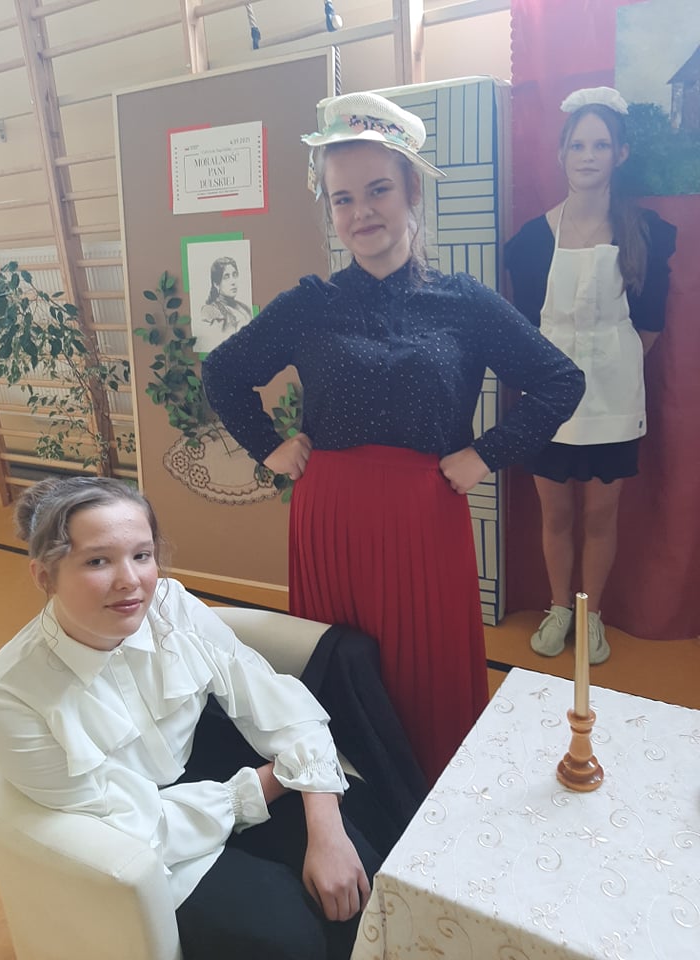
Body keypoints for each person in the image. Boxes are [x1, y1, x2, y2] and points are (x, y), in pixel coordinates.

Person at [201, 91, 585, 784]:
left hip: (424, 518)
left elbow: (561, 380)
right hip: (329, 520)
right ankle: (347, 802)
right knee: (338, 669)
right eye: (342, 199)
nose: (361, 212)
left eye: (378, 189)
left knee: (426, 671)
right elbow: (223, 372)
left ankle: (431, 805)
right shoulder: (309, 304)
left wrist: (485, 454)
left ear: (412, 190)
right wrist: (270, 446)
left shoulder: (464, 303)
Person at [0, 476, 383, 960]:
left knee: (357, 876)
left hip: (211, 765)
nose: (130, 580)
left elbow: (274, 698)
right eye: (97, 561)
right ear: (44, 575)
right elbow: (132, 827)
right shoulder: (12, 695)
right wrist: (273, 781)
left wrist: (325, 826)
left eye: (142, 555)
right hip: (147, 836)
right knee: (287, 938)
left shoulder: (170, 605)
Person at [504, 87, 676, 665]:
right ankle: (559, 608)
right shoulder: (532, 241)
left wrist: (605, 364)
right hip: (548, 398)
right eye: (577, 144)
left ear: (620, 154)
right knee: (555, 514)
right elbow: (525, 326)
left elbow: (649, 327)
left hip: (613, 397)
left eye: (600, 145)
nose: (587, 156)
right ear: (561, 154)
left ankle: (590, 614)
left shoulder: (644, 231)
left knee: (601, 516)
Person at [200, 255, 253, 337]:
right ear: (216, 284)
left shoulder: (245, 308)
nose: (233, 282)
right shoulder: (210, 311)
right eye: (226, 277)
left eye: (234, 275)